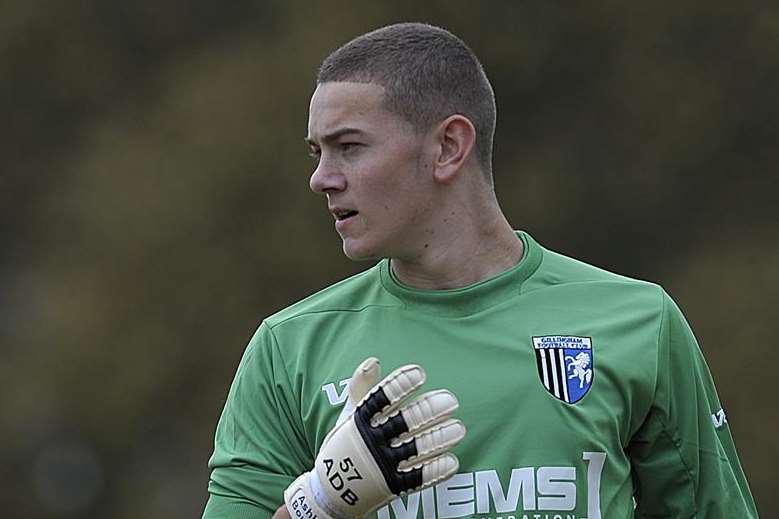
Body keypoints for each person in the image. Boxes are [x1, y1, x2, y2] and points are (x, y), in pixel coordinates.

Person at [202, 22, 758, 519]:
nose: (322, 178)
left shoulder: (639, 320)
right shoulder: (289, 346)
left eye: (348, 147)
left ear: (448, 146)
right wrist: (319, 504)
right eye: (316, 153)